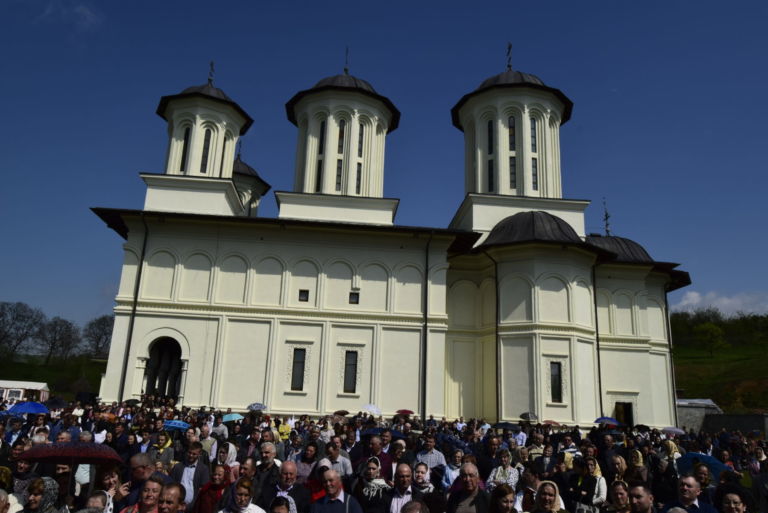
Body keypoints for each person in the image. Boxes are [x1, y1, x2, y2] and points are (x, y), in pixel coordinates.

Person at [170, 441, 210, 507]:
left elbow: (203, 490)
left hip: (194, 506)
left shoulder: (203, 469)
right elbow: (171, 484)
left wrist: (191, 506)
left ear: (199, 454)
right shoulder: (178, 467)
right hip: (177, 505)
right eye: (189, 453)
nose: (191, 455)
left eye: (194, 454)